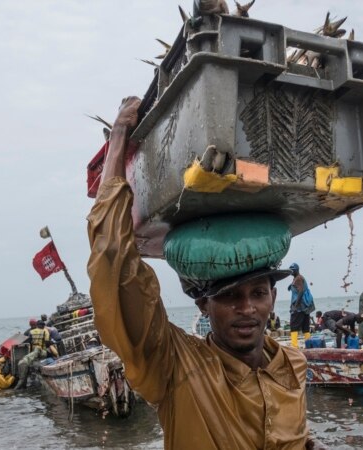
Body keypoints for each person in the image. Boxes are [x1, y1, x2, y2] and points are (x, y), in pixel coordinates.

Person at [87, 96, 314, 449]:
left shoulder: (294, 365)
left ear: (273, 295)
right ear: (203, 306)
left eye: (258, 293)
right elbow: (114, 266)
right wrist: (118, 138)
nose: (247, 308)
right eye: (229, 296)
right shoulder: (174, 367)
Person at [14, 318, 51, 389]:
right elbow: (47, 342)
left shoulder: (30, 332)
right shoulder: (45, 331)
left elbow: (27, 342)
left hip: (33, 352)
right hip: (41, 351)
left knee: (23, 377)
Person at [288, 263, 313, 348]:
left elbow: (301, 291)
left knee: (293, 326)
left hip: (299, 307)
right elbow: (298, 287)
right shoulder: (298, 278)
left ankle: (294, 346)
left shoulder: (298, 278)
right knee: (305, 327)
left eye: (292, 270)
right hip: (305, 307)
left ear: (296, 270)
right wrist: (290, 286)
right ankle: (308, 344)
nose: (291, 271)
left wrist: (295, 306)